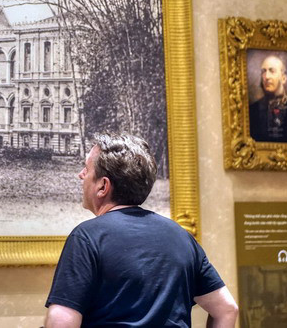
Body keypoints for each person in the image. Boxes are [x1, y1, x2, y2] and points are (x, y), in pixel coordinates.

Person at [45, 134, 238, 327]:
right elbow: (227, 310)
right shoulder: (182, 237)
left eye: (86, 169)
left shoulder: (86, 237)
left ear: (103, 186)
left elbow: (61, 322)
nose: (81, 175)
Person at [249, 55, 287, 143]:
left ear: (284, 78)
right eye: (263, 71)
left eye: (272, 71)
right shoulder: (252, 111)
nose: (266, 76)